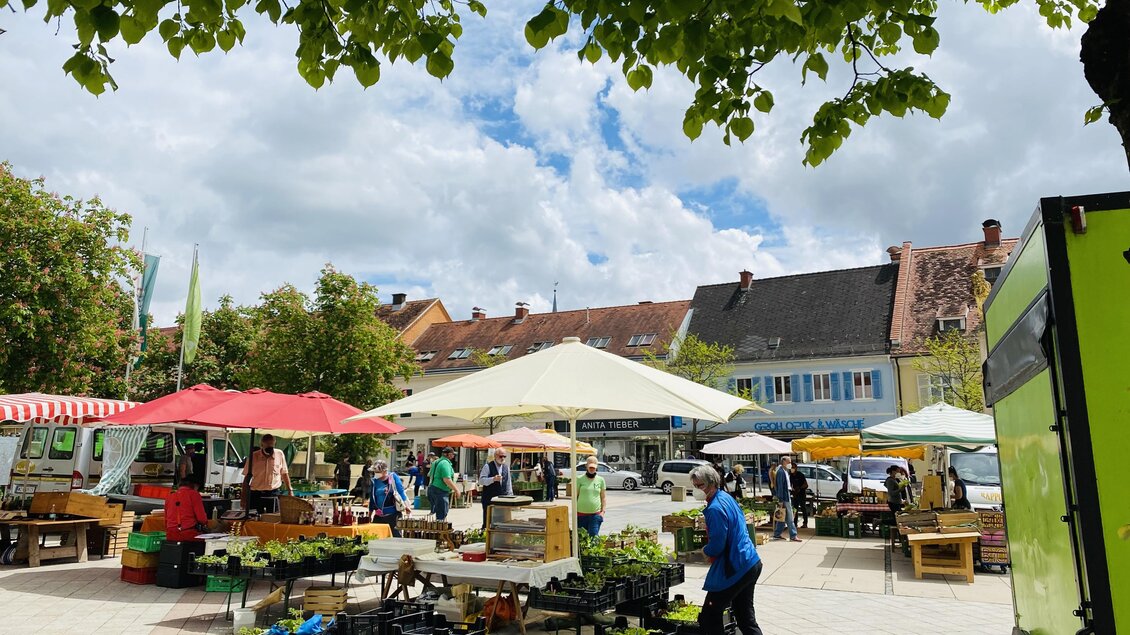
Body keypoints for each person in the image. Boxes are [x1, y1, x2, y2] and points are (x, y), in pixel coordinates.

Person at [689, 464, 764, 635]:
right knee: (745, 617)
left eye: (700, 486)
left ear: (712, 483)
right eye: (694, 486)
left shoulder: (715, 508)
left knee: (710, 616)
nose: (697, 490)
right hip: (750, 561)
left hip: (735, 566)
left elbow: (717, 545)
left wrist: (705, 551)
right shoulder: (725, 497)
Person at [241, 434, 293, 515]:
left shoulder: (279, 454)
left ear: (274, 444)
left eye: (272, 446)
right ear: (262, 445)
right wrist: (243, 498)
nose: (270, 449)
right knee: (254, 520)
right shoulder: (253, 457)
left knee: (273, 519)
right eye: (267, 446)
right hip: (256, 494)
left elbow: (284, 473)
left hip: (273, 493)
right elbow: (246, 479)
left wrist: (290, 490)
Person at [370, 460, 411, 536]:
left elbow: (401, 492)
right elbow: (372, 499)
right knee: (375, 537)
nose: (376, 473)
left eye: (378, 471)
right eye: (375, 471)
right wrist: (370, 514)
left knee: (396, 538)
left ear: (384, 471)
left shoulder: (393, 477)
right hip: (379, 516)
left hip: (393, 515)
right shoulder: (374, 481)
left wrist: (407, 506)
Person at [479, 448, 513, 529]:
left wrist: (511, 496)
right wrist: (493, 479)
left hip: (502, 499)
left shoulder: (506, 467)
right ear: (495, 456)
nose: (503, 458)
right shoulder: (488, 466)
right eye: (501, 456)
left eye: (504, 456)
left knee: (501, 521)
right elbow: (481, 481)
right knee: (488, 521)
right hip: (489, 499)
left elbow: (508, 483)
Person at [771, 456, 801, 542]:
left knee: (782, 516)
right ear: (783, 462)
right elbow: (780, 487)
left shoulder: (784, 471)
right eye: (788, 462)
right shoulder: (781, 472)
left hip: (786, 495)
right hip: (784, 496)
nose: (790, 464)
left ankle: (777, 534)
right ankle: (793, 535)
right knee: (790, 517)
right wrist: (781, 500)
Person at [576, 455, 607, 537]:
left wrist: (603, 512)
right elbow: (575, 496)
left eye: (593, 467)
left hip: (595, 515)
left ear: (596, 467)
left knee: (593, 537)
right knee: (581, 538)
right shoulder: (579, 479)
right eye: (590, 467)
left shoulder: (600, 480)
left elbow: (603, 497)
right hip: (581, 515)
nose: (592, 469)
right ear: (586, 466)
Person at [427, 447, 460, 521]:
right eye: (452, 454)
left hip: (432, 488)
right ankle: (439, 531)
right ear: (448, 454)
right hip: (440, 490)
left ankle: (437, 528)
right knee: (442, 514)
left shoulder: (436, 462)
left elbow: (429, 474)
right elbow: (446, 479)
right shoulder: (445, 463)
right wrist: (456, 490)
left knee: (438, 512)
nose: (453, 456)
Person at [790, 462, 810, 529]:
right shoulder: (791, 475)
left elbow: (806, 485)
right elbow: (790, 485)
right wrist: (792, 490)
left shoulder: (800, 475)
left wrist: (800, 488)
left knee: (803, 508)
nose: (792, 469)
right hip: (795, 495)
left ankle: (805, 523)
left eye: (793, 467)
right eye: (791, 467)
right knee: (795, 509)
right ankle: (795, 523)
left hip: (801, 494)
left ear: (796, 468)